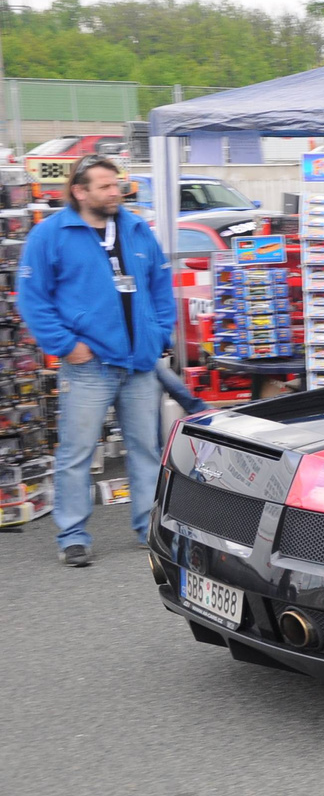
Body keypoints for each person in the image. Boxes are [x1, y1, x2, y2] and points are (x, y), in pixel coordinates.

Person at [16, 156, 176, 567]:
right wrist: (66, 345)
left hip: (140, 364)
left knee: (146, 448)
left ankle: (147, 527)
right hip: (88, 367)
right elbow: (33, 299)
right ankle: (72, 534)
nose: (114, 191)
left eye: (116, 184)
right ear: (79, 191)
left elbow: (160, 286)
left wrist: (158, 334)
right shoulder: (51, 234)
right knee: (76, 452)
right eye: (104, 186)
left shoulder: (137, 229)